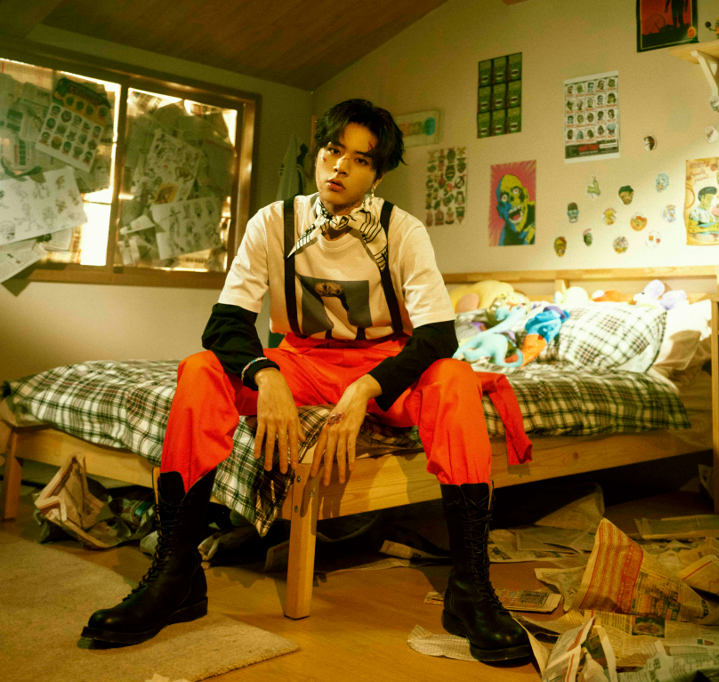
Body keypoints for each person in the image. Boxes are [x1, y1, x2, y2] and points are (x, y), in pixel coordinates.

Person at [81, 99, 531, 662]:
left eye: (359, 160)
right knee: (200, 371)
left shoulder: (403, 230)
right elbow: (225, 323)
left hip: (381, 369)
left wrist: (366, 388)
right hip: (301, 362)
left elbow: (439, 337)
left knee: (455, 378)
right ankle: (176, 574)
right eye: (333, 151)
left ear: (377, 175)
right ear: (317, 155)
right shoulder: (272, 223)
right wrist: (265, 374)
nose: (340, 166)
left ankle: (470, 588)